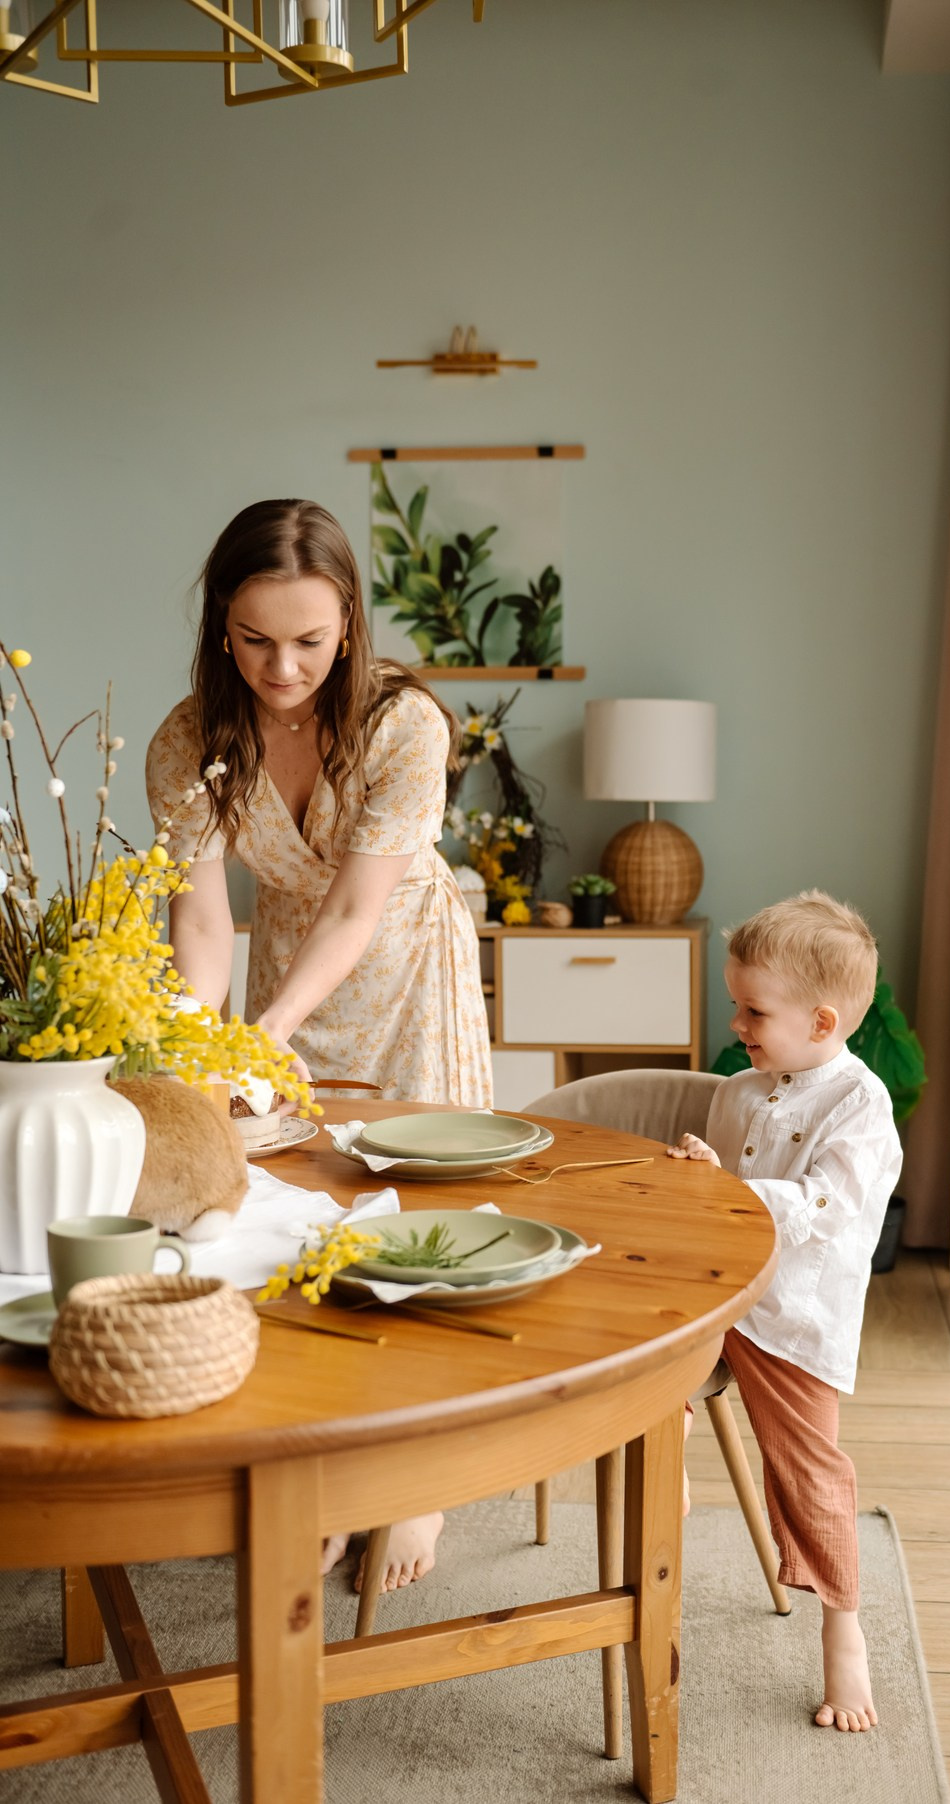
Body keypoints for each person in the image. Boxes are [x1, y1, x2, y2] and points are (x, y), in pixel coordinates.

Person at [147, 496, 493, 1593]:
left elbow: (357, 911)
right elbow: (203, 920)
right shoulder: (189, 741)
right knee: (296, 1204)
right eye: (255, 640)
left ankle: (416, 1482)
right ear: (220, 625)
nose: (282, 665)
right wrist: (205, 1048)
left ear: (350, 620)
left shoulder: (405, 725)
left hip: (401, 962)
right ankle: (321, 1472)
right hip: (284, 956)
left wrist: (265, 1034)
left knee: (418, 1206)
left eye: (308, 638)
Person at [667, 890, 901, 1735]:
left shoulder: (858, 1107)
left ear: (824, 1019)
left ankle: (844, 1624)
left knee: (809, 1468)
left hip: (793, 1313)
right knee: (644, 1382)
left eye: (754, 1008)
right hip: (714, 1290)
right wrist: (698, 1175)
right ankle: (660, 1516)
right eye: (738, 1003)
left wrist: (727, 1193)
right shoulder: (738, 1091)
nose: (736, 1021)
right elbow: (714, 1200)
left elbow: (828, 1207)